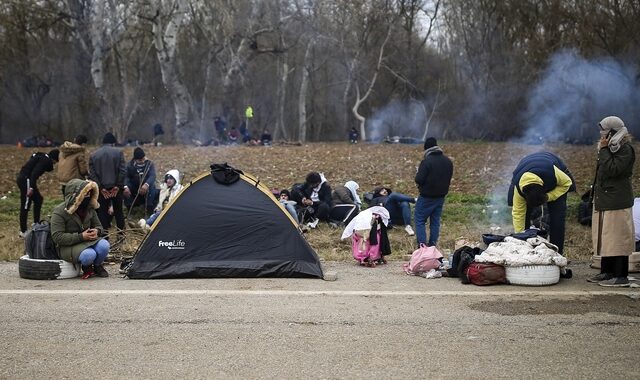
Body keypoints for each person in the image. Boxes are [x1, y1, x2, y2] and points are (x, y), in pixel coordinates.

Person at [588, 116, 635, 287]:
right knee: (606, 238)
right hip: (605, 199)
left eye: (604, 131)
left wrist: (604, 150)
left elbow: (613, 170)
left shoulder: (625, 149)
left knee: (618, 239)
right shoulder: (610, 148)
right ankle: (607, 272)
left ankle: (620, 276)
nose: (601, 135)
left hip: (617, 201)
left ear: (613, 133)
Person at [507, 151, 575, 255]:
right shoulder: (519, 190)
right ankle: (525, 251)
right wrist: (520, 237)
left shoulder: (553, 173)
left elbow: (567, 183)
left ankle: (557, 254)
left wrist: (549, 196)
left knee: (558, 218)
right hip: (528, 167)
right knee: (524, 216)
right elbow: (518, 214)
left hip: (557, 180)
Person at [50, 179, 110, 279]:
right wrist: (81, 236)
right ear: (75, 196)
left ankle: (97, 266)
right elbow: (57, 237)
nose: (88, 197)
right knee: (89, 254)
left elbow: (99, 226)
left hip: (87, 241)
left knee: (104, 245)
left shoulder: (89, 208)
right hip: (68, 246)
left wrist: (97, 231)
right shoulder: (59, 212)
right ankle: (86, 266)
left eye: (89, 194)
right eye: (85, 194)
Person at [414, 137, 453, 247]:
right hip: (441, 197)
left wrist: (418, 172)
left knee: (420, 220)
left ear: (426, 149)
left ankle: (422, 246)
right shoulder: (448, 161)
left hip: (426, 197)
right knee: (435, 222)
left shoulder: (426, 162)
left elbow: (419, 179)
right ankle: (432, 245)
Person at [16, 149, 59, 237]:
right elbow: (34, 174)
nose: (54, 164)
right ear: (54, 159)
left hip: (27, 179)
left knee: (38, 199)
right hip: (26, 179)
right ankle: (23, 231)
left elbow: (33, 157)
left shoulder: (41, 156)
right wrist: (31, 187)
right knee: (25, 205)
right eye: (55, 162)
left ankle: (36, 223)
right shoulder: (46, 161)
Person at [89, 132, 126, 231]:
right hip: (116, 189)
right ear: (113, 143)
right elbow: (122, 171)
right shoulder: (119, 153)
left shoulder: (94, 155)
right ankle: (121, 235)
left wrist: (101, 188)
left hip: (101, 190)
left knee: (102, 213)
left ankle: (104, 236)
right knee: (119, 212)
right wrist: (117, 186)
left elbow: (92, 175)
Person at [123, 147, 158, 214]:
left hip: (146, 187)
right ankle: (130, 208)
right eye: (140, 160)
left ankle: (149, 209)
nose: (142, 161)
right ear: (135, 159)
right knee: (125, 189)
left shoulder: (149, 164)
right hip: (134, 187)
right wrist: (125, 187)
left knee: (152, 188)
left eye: (143, 159)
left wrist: (146, 184)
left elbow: (152, 175)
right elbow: (126, 177)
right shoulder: (129, 165)